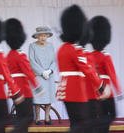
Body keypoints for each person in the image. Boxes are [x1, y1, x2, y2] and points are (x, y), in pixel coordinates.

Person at [56, 5, 108, 133]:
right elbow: (87, 70)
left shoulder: (62, 48)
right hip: (76, 92)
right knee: (82, 125)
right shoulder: (75, 49)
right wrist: (101, 86)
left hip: (65, 91)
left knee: (76, 124)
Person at [5, 18, 44, 133]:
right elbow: (28, 71)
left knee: (21, 117)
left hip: (14, 89)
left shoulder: (9, 55)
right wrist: (37, 86)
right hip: (23, 88)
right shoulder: (20, 54)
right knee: (27, 117)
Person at [90, 16, 122, 133]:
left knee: (99, 115)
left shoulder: (89, 56)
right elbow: (112, 74)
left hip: (94, 90)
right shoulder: (106, 56)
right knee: (112, 114)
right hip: (106, 90)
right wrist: (119, 91)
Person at [29, 26, 56, 125]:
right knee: (38, 99)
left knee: (48, 98)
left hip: (49, 76)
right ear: (37, 36)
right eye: (40, 35)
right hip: (38, 76)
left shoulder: (51, 46)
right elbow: (32, 61)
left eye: (44, 35)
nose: (43, 37)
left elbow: (54, 61)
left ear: (47, 36)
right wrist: (42, 72)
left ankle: (47, 118)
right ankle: (37, 118)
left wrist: (49, 71)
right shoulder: (32, 46)